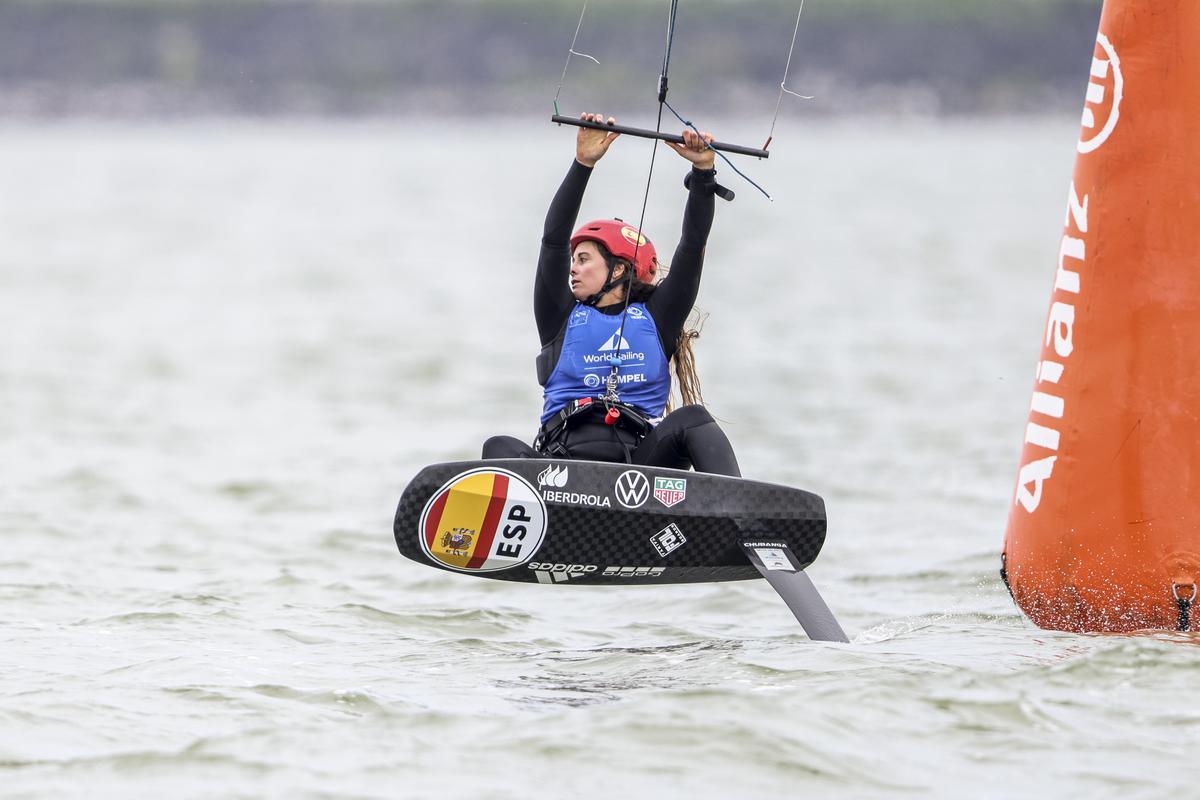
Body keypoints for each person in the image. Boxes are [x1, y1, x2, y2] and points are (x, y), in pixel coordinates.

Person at [482, 112, 741, 477]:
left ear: (618, 269)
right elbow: (552, 241)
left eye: (584, 259)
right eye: (574, 260)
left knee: (693, 419)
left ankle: (739, 521)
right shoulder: (559, 315)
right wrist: (583, 163)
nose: (573, 268)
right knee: (498, 447)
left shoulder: (658, 317)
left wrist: (703, 173)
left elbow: (692, 245)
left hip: (640, 473)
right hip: (562, 470)